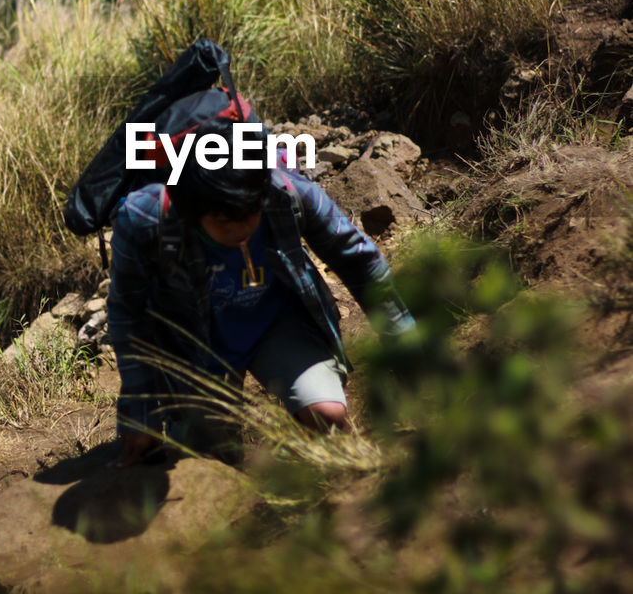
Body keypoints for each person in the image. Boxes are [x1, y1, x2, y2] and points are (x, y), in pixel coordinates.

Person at [107, 121, 414, 467]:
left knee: (325, 415)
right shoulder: (144, 219)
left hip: (277, 321)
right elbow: (127, 313)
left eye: (249, 214)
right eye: (224, 221)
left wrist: (405, 339)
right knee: (207, 458)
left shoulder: (281, 189)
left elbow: (356, 256)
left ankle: (303, 467)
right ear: (192, 213)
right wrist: (140, 409)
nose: (240, 229)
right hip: (194, 341)